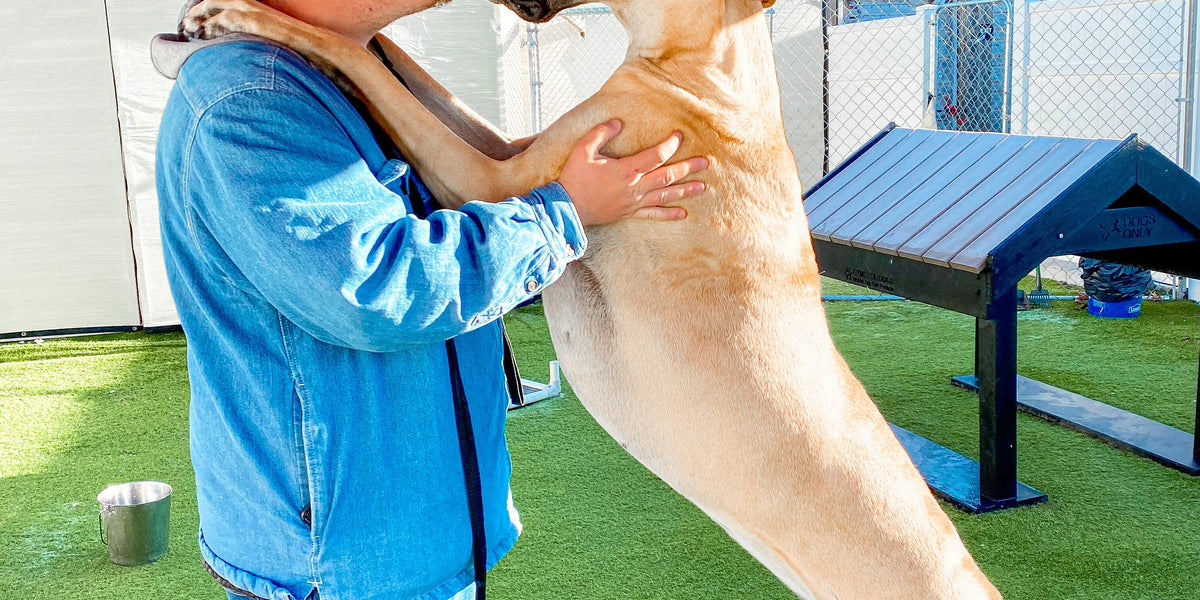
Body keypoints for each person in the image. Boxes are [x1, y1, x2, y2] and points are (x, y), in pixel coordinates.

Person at [152, 1, 709, 599]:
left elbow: (474, 180)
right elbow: (378, 290)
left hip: (409, 540)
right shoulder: (248, 100)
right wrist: (564, 212)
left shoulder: (346, 62)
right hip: (340, 569)